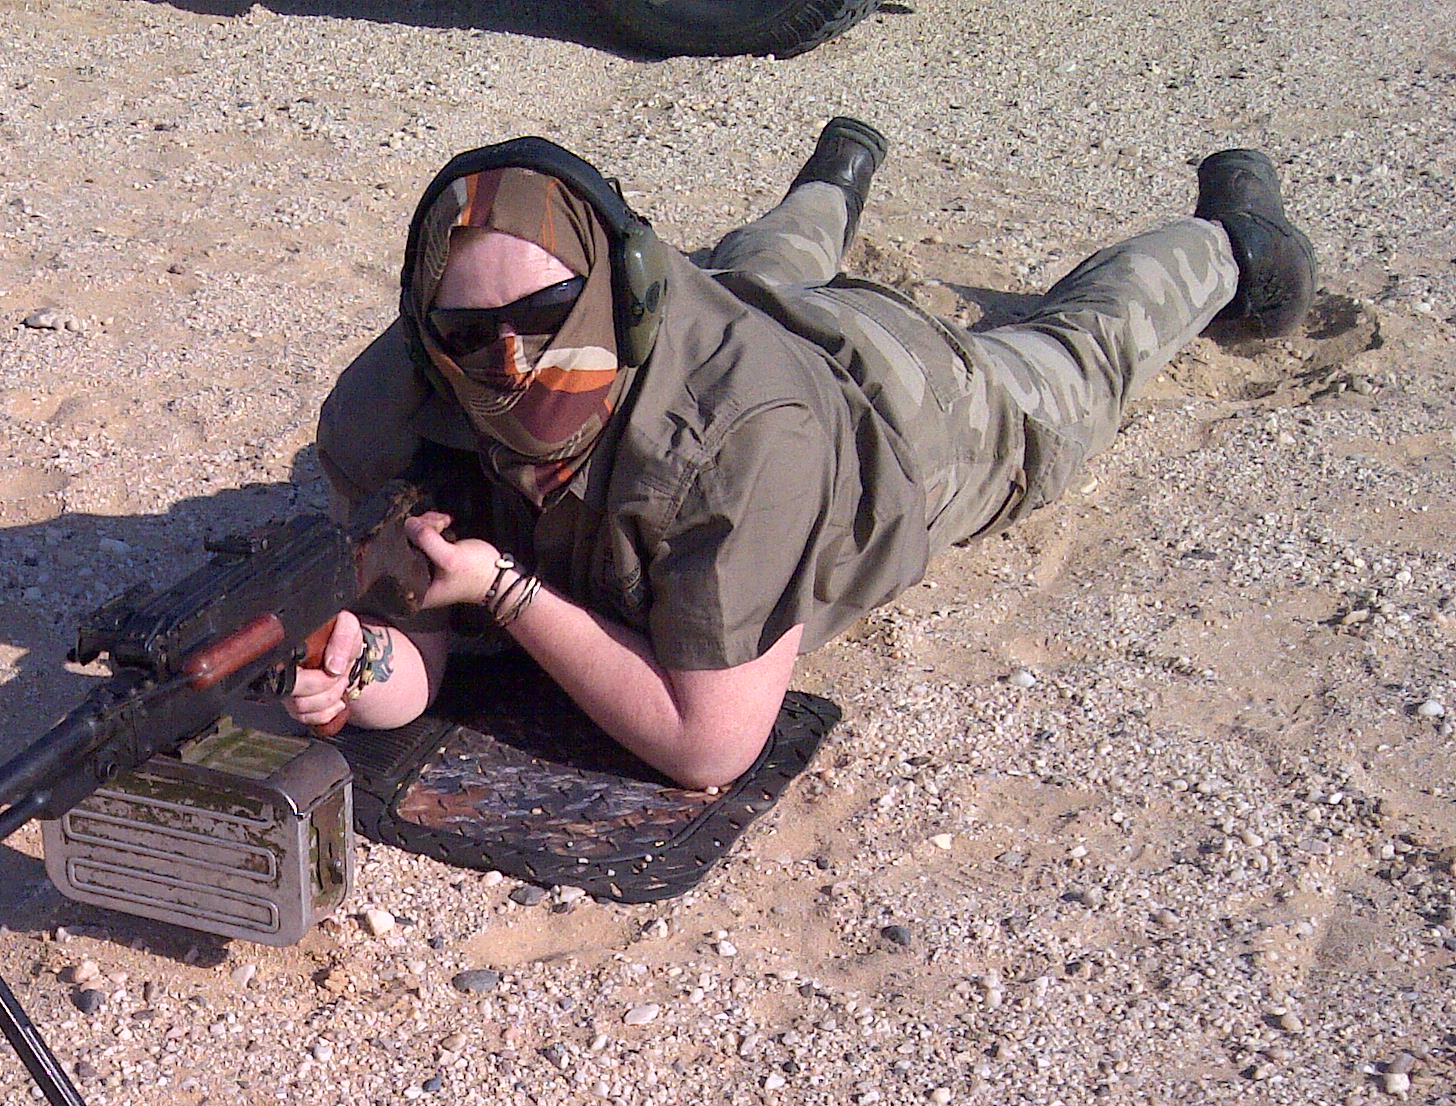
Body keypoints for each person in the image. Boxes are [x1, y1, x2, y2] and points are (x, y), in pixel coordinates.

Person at [289, 122, 1318, 789]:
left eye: (550, 315)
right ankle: (836, 176)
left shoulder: (744, 435)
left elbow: (708, 747)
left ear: (620, 293)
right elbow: (407, 647)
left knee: (1076, 357)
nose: (507, 362)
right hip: (738, 313)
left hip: (902, 404)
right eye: (468, 334)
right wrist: (350, 666)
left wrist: (507, 591)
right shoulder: (400, 398)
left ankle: (1228, 237)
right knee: (755, 270)